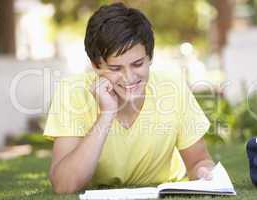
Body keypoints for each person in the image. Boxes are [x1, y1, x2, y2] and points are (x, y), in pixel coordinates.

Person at [43, 2, 214, 194]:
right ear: (95, 65)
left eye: (138, 64)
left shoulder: (172, 87)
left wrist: (203, 172)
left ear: (149, 57)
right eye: (115, 68)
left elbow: (199, 160)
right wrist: (106, 114)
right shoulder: (72, 91)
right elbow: (64, 185)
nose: (129, 77)